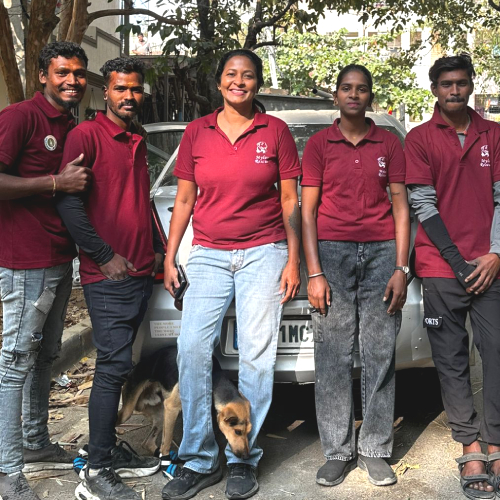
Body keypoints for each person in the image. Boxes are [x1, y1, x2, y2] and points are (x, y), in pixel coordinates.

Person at [161, 49, 301, 500]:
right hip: (209, 253)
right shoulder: (197, 132)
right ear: (220, 82)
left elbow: (289, 200)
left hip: (265, 251)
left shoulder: (274, 131)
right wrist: (170, 256)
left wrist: (293, 259)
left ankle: (244, 458)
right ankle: (200, 458)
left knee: (257, 355)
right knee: (191, 349)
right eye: (231, 74)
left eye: (248, 75)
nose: (239, 81)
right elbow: (185, 199)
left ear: (257, 83)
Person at [56, 57, 164, 500]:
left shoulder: (137, 137)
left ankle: (106, 449)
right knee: (112, 368)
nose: (128, 96)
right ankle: (97, 470)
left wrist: (157, 249)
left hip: (139, 271)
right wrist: (103, 256)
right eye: (121, 88)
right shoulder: (86, 136)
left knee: (122, 366)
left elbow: (140, 200)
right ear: (107, 92)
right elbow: (67, 203)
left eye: (135, 89)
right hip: (108, 275)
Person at [301, 65, 410, 488]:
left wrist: (400, 267)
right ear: (336, 96)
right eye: (346, 88)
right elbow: (307, 212)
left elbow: (400, 207)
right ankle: (337, 451)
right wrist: (315, 272)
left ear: (369, 96)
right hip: (332, 253)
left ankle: (375, 449)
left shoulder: (388, 143)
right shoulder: (319, 145)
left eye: (361, 89)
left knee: (380, 352)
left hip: (382, 253)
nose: (353, 94)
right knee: (333, 355)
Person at [405, 54, 500, 500]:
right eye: (446, 84)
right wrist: (457, 264)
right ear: (435, 90)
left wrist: (495, 254)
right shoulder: (420, 139)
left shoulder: (493, 134)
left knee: (496, 352)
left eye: (461, 82)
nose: (455, 90)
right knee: (451, 360)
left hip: (490, 265)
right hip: (441, 268)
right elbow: (423, 205)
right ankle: (470, 446)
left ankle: (496, 440)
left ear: (471, 85)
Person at [0, 41, 91, 500]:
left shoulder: (69, 123)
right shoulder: (21, 117)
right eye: (62, 72)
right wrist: (55, 182)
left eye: (79, 73)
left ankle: (35, 441)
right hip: (24, 259)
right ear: (42, 75)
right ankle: (7, 469)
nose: (72, 80)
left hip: (58, 258)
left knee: (45, 356)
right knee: (15, 360)